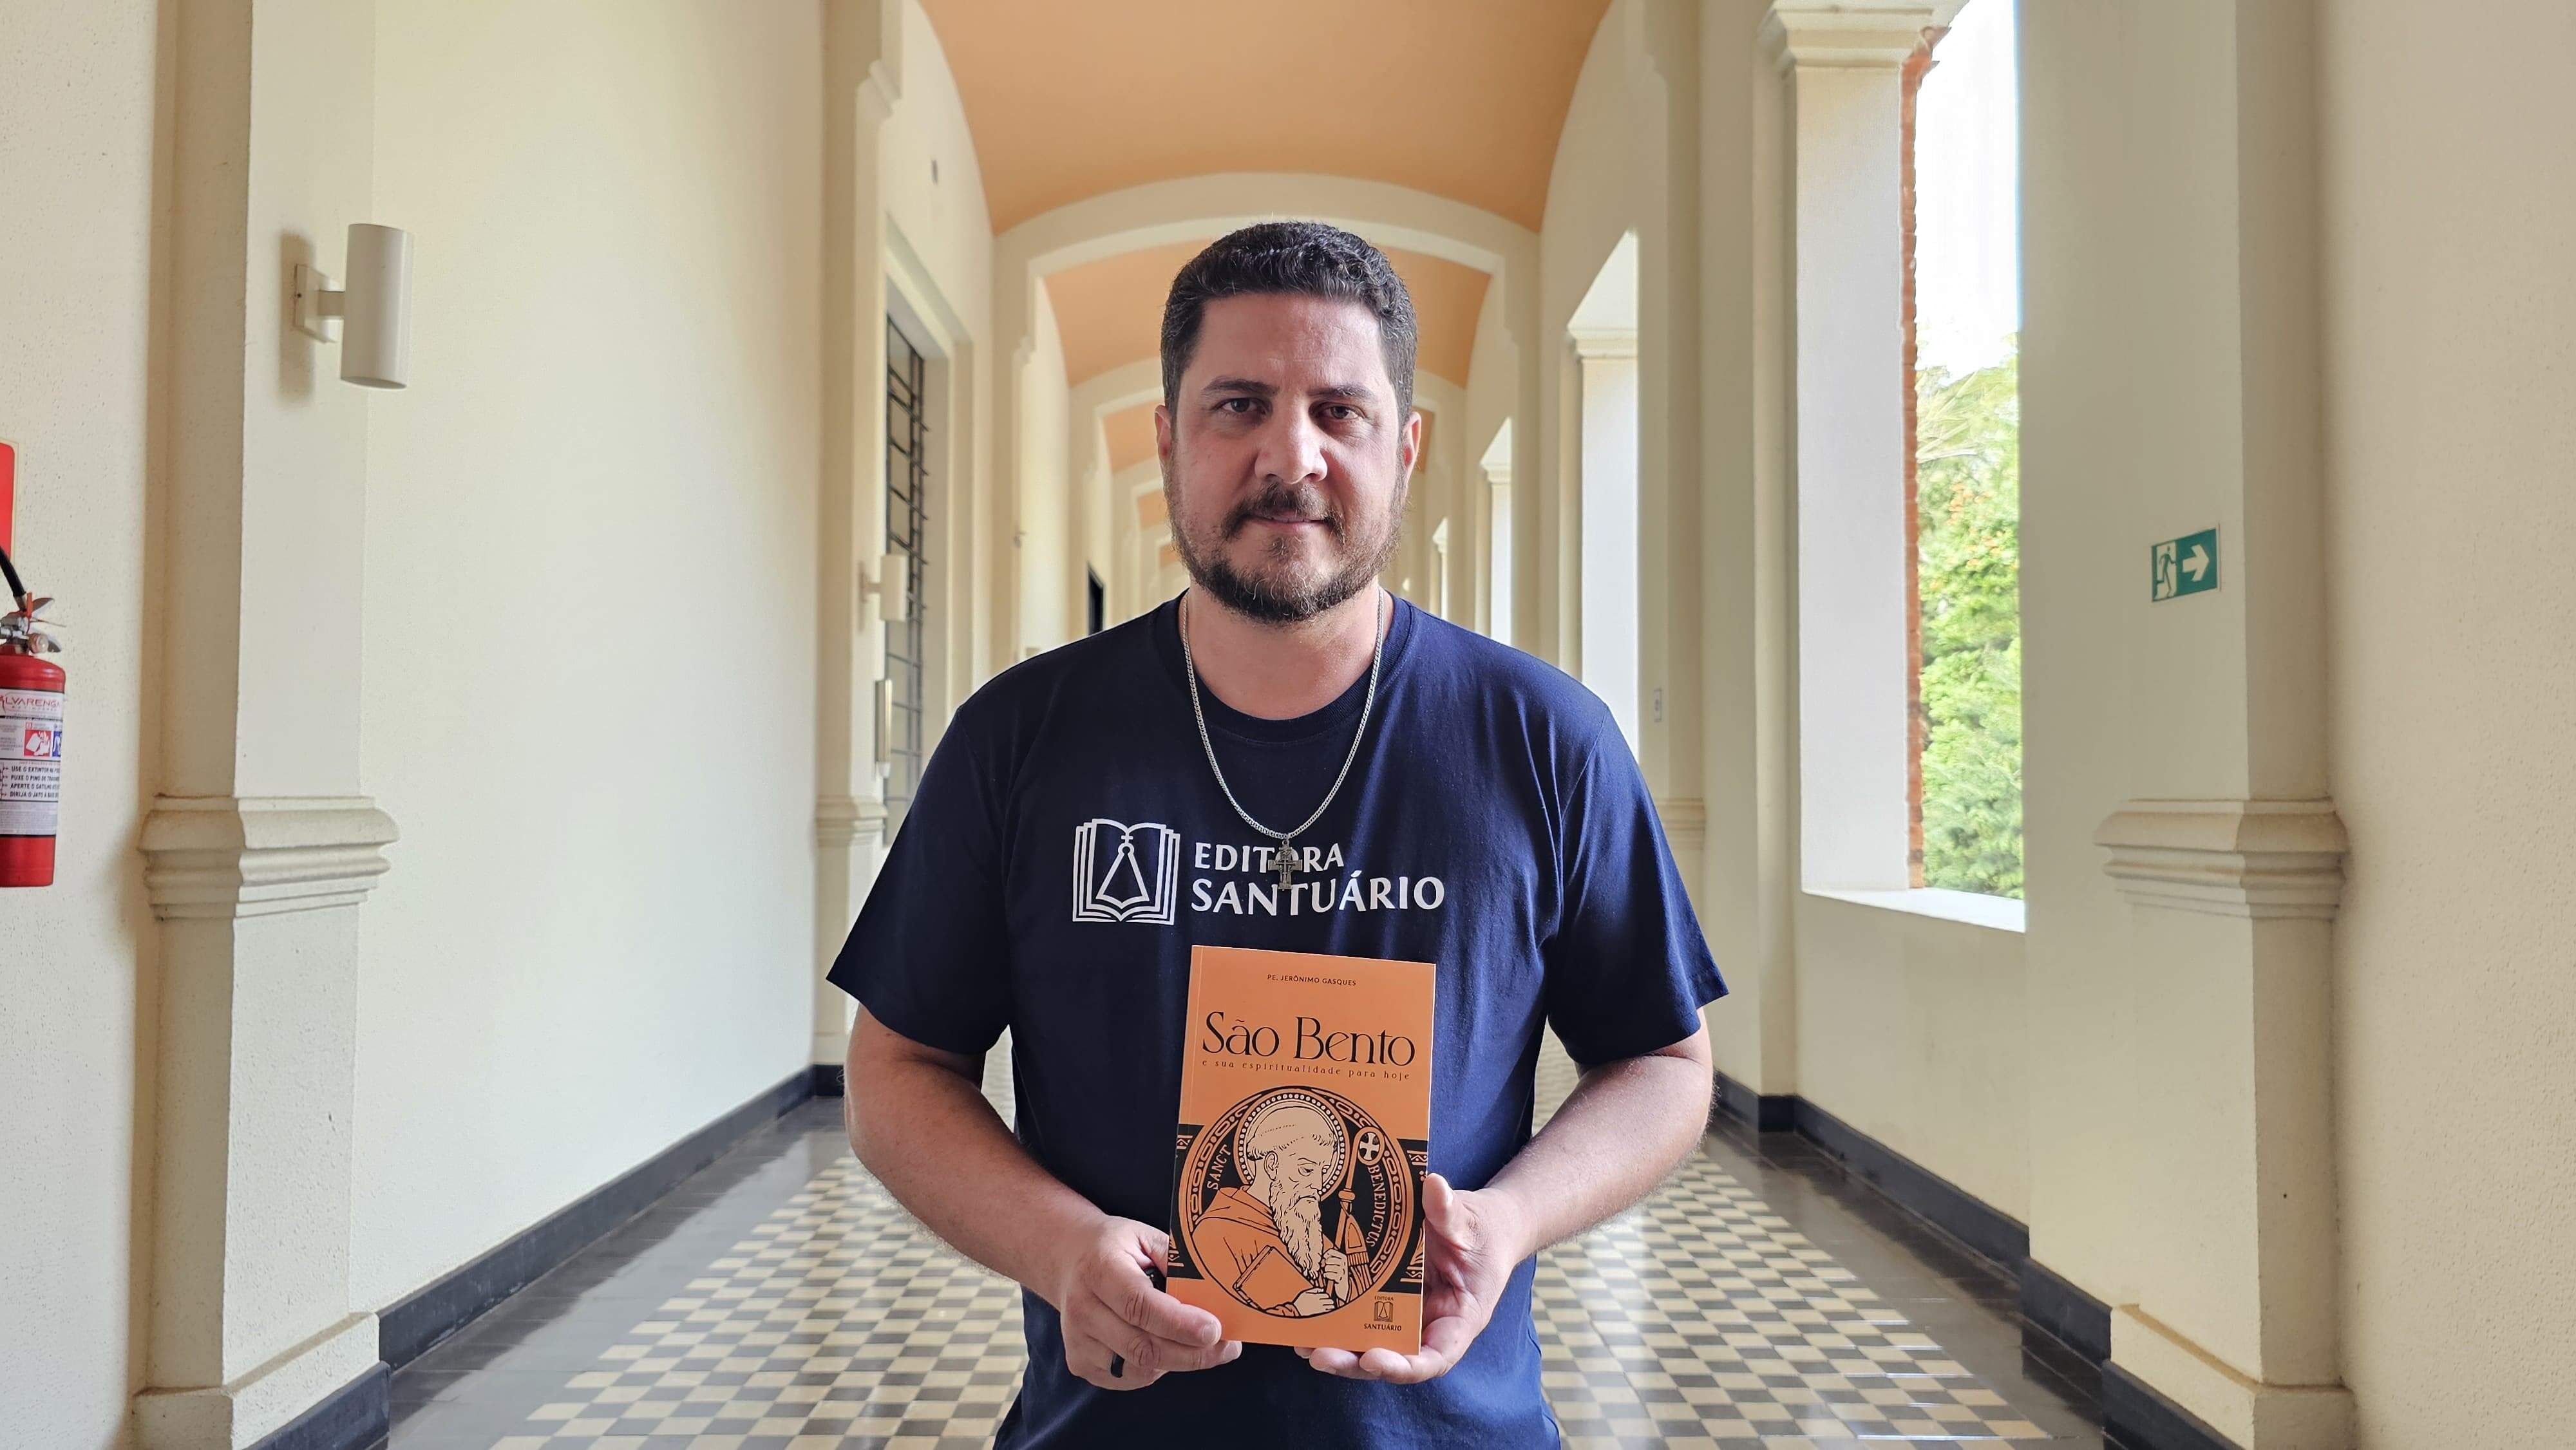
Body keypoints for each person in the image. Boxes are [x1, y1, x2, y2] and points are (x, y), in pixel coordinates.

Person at [833, 220, 1724, 1447]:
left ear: (1405, 448)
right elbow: (895, 1070)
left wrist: (1509, 1221)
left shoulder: (1544, 738)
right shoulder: (1024, 737)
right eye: (1238, 405)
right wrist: (1058, 1248)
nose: (1289, 456)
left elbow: (1665, 1062)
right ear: (1168, 438)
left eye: (1339, 412)